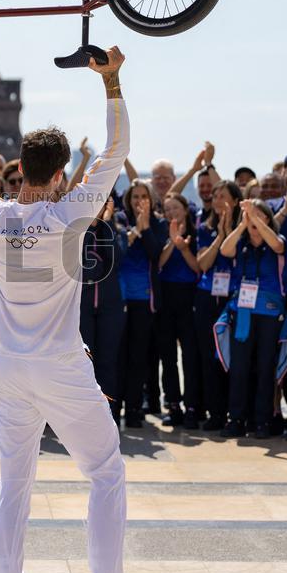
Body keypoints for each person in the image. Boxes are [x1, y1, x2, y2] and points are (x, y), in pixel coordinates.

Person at [0, 45, 150, 573]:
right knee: (106, 470)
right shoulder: (68, 214)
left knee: (14, 482)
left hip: (6, 366)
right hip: (60, 363)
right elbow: (116, 152)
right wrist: (111, 84)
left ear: (21, 170)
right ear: (58, 176)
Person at [220, 199, 286, 439]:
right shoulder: (242, 245)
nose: (253, 220)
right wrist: (241, 225)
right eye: (249, 216)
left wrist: (256, 218)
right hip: (244, 312)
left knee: (265, 367)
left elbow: (278, 246)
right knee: (240, 368)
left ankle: (262, 421)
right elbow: (225, 250)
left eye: (260, 216)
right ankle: (237, 418)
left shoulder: (277, 243)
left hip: (269, 313)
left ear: (268, 219)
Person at [117, 180, 168, 426]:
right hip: (119, 298)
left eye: (144, 197)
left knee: (139, 357)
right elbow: (118, 251)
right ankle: (114, 408)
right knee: (118, 355)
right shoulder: (118, 218)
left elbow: (157, 255)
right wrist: (135, 229)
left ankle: (135, 409)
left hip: (144, 299)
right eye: (135, 196)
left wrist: (146, 229)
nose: (139, 201)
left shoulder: (159, 223)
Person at [195, 180, 242, 430]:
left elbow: (233, 256)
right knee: (209, 358)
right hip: (206, 297)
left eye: (224, 196)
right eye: (215, 196)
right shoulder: (205, 227)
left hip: (233, 300)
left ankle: (234, 414)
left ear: (235, 201)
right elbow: (203, 263)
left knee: (232, 358)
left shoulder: (244, 228)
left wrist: (230, 234)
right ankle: (215, 413)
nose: (219, 201)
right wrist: (220, 236)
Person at [157, 193, 201, 428]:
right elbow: (158, 264)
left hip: (189, 295)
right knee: (168, 356)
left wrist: (183, 247)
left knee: (190, 355)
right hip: (166, 295)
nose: (172, 213)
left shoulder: (196, 232)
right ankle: (173, 404)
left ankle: (193, 406)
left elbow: (198, 267)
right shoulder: (161, 232)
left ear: (185, 209)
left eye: (176, 208)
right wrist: (171, 241)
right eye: (167, 209)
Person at [79, 197, 126, 413]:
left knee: (108, 362)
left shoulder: (117, 229)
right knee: (84, 364)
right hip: (83, 306)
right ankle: (84, 416)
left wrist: (105, 225)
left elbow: (115, 259)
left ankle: (109, 416)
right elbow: (80, 259)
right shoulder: (76, 230)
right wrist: (91, 227)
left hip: (110, 306)